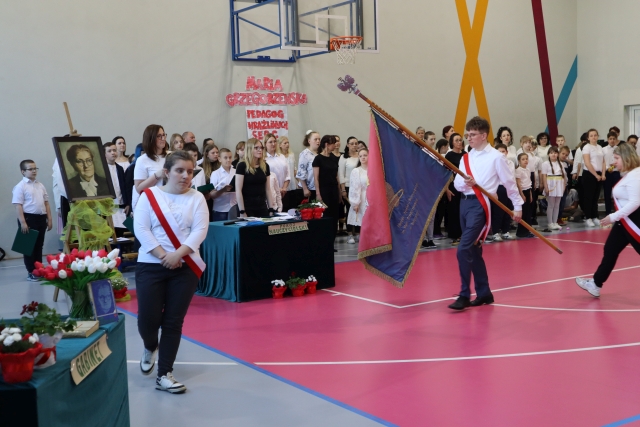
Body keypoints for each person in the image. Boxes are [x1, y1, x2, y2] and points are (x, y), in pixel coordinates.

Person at [134, 150, 209, 394]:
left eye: (190, 171)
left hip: (185, 267)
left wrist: (178, 255)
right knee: (148, 320)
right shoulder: (149, 196)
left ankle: (164, 374)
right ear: (166, 172)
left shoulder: (197, 198)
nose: (186, 175)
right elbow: (141, 228)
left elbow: (200, 231)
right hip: (150, 265)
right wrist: (163, 255)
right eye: (180, 170)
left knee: (173, 321)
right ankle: (150, 345)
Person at [448, 117, 523, 310]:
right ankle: (484, 293)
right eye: (468, 134)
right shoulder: (466, 157)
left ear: (483, 135)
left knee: (463, 249)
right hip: (464, 204)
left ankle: (464, 294)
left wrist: (517, 207)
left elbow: (509, 183)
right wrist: (467, 183)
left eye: (472, 134)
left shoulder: (496, 157)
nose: (468, 138)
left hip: (480, 206)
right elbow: (457, 184)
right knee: (473, 250)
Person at [575, 143, 640, 297]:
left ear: (626, 158)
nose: (614, 162)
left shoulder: (635, 175)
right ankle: (596, 284)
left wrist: (612, 217)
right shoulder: (630, 174)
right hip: (624, 222)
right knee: (610, 249)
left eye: (617, 158)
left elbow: (635, 202)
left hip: (634, 222)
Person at [13, 160, 53, 281]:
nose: (34, 171)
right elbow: (18, 205)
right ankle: (31, 271)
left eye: (35, 168)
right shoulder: (20, 186)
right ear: (23, 171)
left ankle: (39, 269)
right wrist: (23, 222)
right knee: (28, 247)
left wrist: (49, 219)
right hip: (28, 218)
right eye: (30, 169)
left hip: (41, 218)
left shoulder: (40, 185)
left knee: (39, 246)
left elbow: (46, 203)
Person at [313, 135, 341, 248]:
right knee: (326, 216)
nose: (335, 145)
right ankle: (324, 243)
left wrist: (339, 191)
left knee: (335, 217)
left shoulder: (334, 158)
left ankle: (332, 243)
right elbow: (316, 178)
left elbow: (336, 176)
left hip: (334, 189)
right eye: (333, 143)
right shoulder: (318, 159)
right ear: (326, 144)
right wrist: (318, 193)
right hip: (324, 190)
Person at [235, 138, 275, 218]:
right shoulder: (242, 166)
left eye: (261, 148)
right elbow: (238, 190)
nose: (260, 150)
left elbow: (268, 189)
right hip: (247, 206)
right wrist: (242, 211)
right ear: (250, 149)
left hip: (262, 205)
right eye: (256, 148)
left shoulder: (265, 166)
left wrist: (271, 208)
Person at [133, 125, 168, 212]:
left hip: (170, 200)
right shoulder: (142, 160)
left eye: (164, 135)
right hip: (153, 204)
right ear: (150, 139)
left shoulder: (170, 156)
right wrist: (156, 176)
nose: (163, 138)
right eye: (159, 136)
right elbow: (139, 189)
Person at [490, 143, 516, 241]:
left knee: (508, 210)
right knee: (498, 211)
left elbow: (512, 177)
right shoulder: (493, 163)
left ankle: (506, 231)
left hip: (509, 188)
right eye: (499, 152)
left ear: (507, 152)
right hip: (499, 188)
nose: (502, 153)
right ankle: (495, 232)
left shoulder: (511, 163)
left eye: (503, 151)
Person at [582, 128, 606, 226]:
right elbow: (587, 163)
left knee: (596, 197)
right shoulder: (586, 147)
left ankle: (595, 216)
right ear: (588, 138)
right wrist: (595, 175)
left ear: (598, 136)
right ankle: (588, 217)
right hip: (589, 174)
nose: (593, 137)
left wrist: (603, 174)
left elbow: (603, 162)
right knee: (589, 197)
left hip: (599, 174)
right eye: (591, 136)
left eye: (595, 135)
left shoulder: (600, 147)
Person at [445, 133, 466, 245]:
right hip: (453, 186)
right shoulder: (449, 155)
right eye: (456, 140)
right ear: (452, 142)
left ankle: (465, 234)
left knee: (464, 210)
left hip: (465, 186)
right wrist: (447, 189)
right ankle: (455, 235)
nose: (459, 142)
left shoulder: (466, 154)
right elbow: (445, 173)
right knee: (454, 210)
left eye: (460, 140)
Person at [540, 146, 566, 232]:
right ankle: (550, 223)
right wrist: (546, 187)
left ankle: (555, 222)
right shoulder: (545, 164)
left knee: (557, 205)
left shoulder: (561, 163)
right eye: (551, 153)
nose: (553, 154)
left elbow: (563, 176)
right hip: (551, 184)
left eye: (555, 153)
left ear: (557, 154)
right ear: (548, 154)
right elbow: (544, 176)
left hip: (559, 184)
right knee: (551, 205)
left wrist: (563, 186)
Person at [104, 142, 128, 231]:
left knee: (120, 230)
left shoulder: (120, 168)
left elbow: (124, 187)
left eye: (114, 150)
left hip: (120, 204)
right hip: (107, 206)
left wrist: (127, 203)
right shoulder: (102, 169)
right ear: (104, 154)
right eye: (109, 151)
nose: (113, 153)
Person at [339, 136, 360, 242]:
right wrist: (343, 189)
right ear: (347, 145)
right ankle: (349, 233)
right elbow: (341, 174)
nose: (354, 145)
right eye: (352, 143)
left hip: (359, 187)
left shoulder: (360, 156)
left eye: (356, 143)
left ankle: (358, 232)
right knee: (350, 210)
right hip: (348, 186)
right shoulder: (344, 157)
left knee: (359, 210)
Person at [347, 148, 369, 243]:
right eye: (360, 156)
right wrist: (355, 203)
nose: (363, 157)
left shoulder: (374, 170)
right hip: (362, 197)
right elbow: (354, 188)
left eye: (365, 155)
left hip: (372, 197)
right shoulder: (356, 171)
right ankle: (360, 235)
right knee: (361, 217)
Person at [209, 148, 237, 221]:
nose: (228, 160)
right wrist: (223, 190)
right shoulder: (215, 174)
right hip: (220, 209)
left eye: (230, 157)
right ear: (219, 159)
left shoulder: (236, 171)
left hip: (234, 207)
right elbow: (212, 194)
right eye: (225, 158)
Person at [264, 133, 290, 207]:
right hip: (272, 192)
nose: (273, 144)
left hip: (284, 191)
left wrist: (284, 188)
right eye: (270, 142)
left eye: (274, 141)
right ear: (265, 144)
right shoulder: (263, 159)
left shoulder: (281, 156)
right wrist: (278, 189)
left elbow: (288, 174)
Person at [296, 131, 320, 202]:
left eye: (319, 139)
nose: (318, 141)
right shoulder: (305, 154)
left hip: (319, 187)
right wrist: (305, 188)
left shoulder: (320, 153)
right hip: (309, 188)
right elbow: (301, 172)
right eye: (315, 139)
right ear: (309, 141)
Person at [515, 153, 535, 238]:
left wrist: (530, 194)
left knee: (528, 212)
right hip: (522, 192)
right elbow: (519, 184)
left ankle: (527, 230)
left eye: (526, 159)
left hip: (528, 191)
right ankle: (521, 232)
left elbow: (529, 183)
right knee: (523, 213)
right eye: (523, 159)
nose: (525, 160)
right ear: (519, 161)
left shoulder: (528, 169)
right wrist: (522, 194)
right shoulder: (518, 170)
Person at [603, 131, 621, 216]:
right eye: (610, 139)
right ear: (608, 139)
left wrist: (616, 165)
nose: (612, 140)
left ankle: (617, 211)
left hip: (616, 173)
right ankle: (608, 212)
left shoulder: (619, 149)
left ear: (616, 139)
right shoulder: (603, 149)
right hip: (607, 173)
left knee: (617, 193)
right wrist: (607, 168)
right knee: (607, 193)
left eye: (614, 139)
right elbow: (602, 161)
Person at [279, 136, 297, 211]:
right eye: (285, 143)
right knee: (285, 205)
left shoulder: (291, 155)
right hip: (284, 185)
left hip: (293, 183)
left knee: (293, 205)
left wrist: (299, 182)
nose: (287, 144)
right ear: (280, 145)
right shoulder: (279, 156)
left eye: (288, 143)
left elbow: (294, 169)